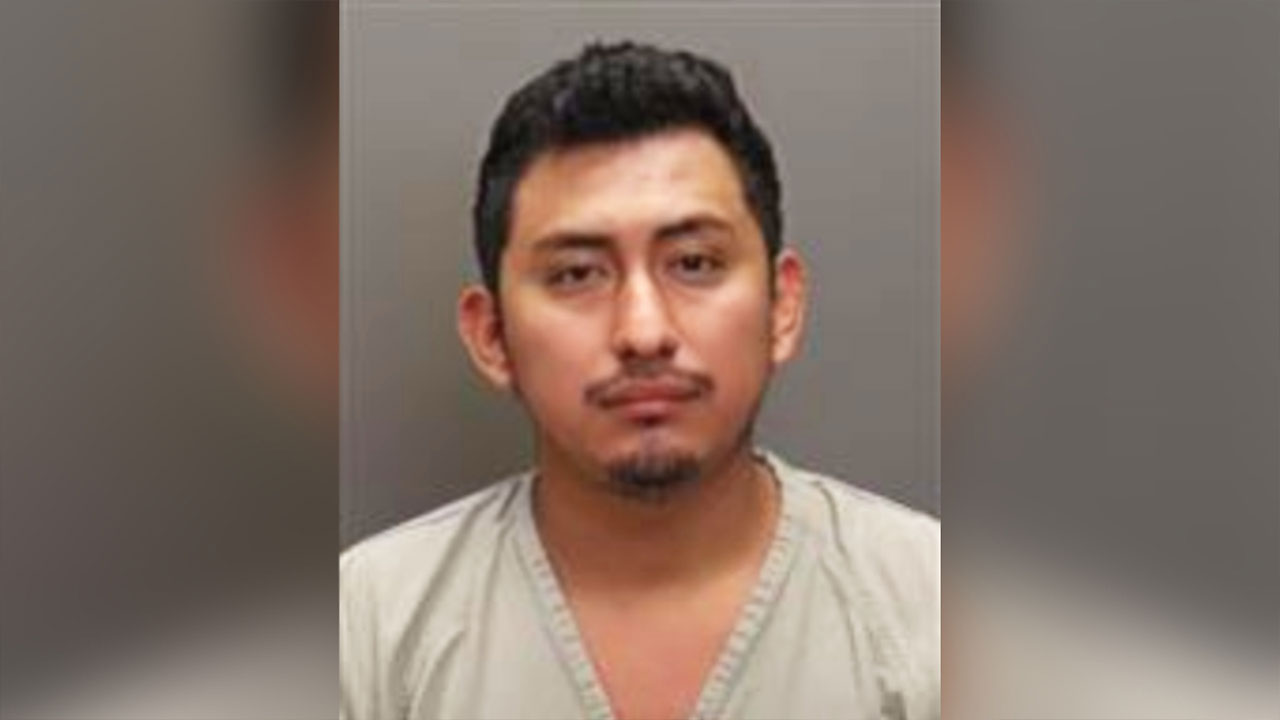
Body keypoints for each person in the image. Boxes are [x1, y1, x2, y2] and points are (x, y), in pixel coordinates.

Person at [340, 41, 939, 720]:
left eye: (694, 263)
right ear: (492, 335)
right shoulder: (368, 629)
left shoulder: (930, 611)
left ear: (782, 306)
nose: (643, 331)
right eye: (576, 274)